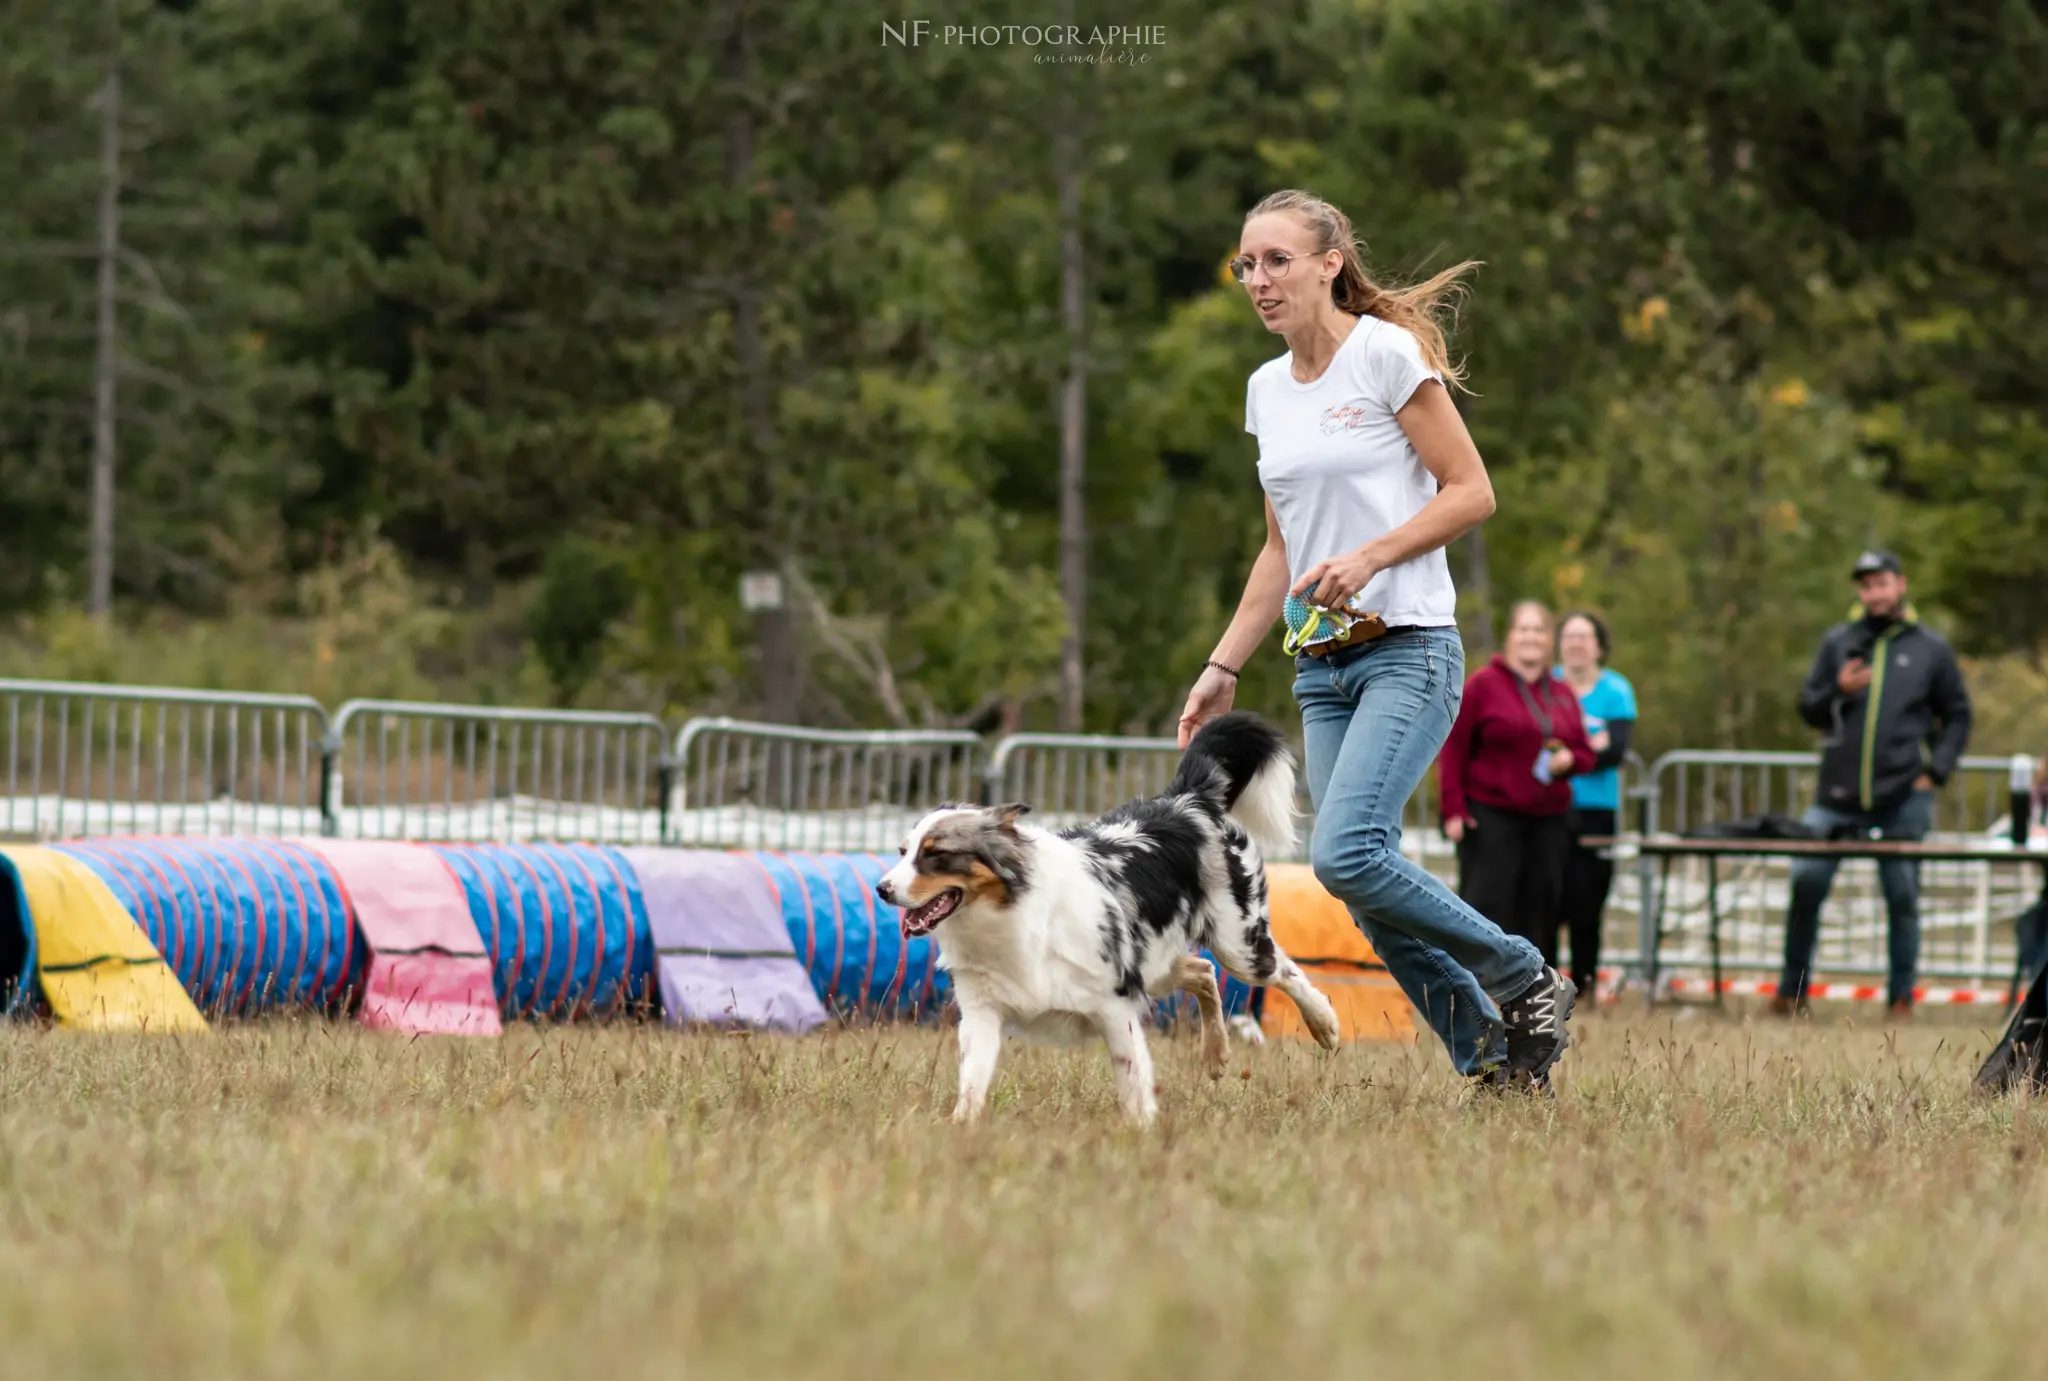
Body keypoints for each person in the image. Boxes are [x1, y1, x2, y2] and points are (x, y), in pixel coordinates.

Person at [1175, 187, 1576, 1092]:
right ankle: (1495, 1052)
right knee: (1363, 875)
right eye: (1247, 264)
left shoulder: (1386, 355)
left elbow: (1471, 490)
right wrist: (1221, 664)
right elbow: (1279, 549)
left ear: (1329, 263)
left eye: (1277, 260)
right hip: (1321, 665)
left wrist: (1374, 554)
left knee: (1345, 853)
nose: (1258, 279)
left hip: (1409, 647)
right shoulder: (1265, 390)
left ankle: (1524, 975)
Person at [1772, 548, 1973, 1018]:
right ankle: (1791, 992)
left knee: (1902, 894)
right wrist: (1837, 691)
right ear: (1859, 592)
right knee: (1807, 881)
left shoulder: (1931, 649)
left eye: (1882, 582)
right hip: (1835, 798)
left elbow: (1959, 715)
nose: (1874, 592)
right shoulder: (1838, 641)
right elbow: (1808, 707)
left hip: (1903, 797)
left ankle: (1900, 998)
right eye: (1866, 585)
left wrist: (1935, 770)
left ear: (1900, 584)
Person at [1436, 601, 1596, 967]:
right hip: (1491, 815)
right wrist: (1453, 808)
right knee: (1488, 904)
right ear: (1510, 637)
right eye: (1523, 629)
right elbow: (1454, 748)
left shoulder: (1561, 691)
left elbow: (1585, 752)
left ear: (1549, 640)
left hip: (1549, 818)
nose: (1530, 637)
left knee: (1543, 907)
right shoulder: (1482, 686)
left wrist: (1569, 759)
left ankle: (1537, 991)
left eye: (1538, 630)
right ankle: (1479, 988)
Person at [1555, 611, 1637, 1002]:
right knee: (1547, 898)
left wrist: (1565, 750)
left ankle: (1584, 988)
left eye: (1584, 637)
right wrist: (1590, 743)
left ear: (1599, 645)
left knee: (1587, 902)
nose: (1576, 644)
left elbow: (1615, 753)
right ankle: (1546, 989)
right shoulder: (1547, 684)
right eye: (1569, 636)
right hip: (1550, 805)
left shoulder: (1616, 691)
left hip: (1597, 808)